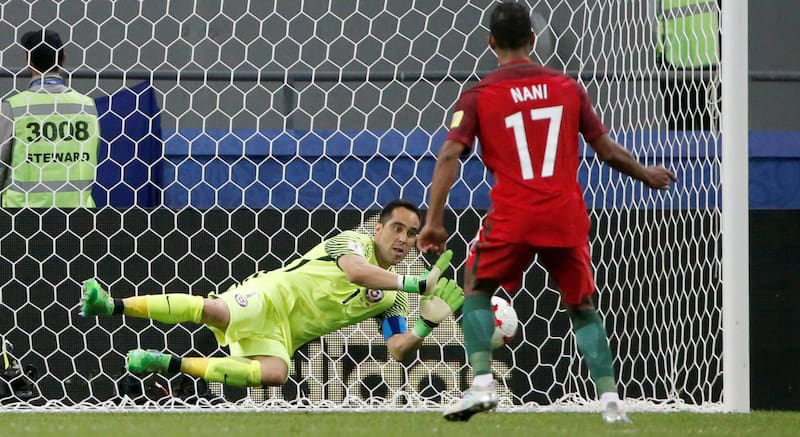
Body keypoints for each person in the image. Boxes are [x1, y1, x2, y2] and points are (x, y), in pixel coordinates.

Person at [417, 2, 678, 423]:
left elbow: (450, 154)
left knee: (476, 285)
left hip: (514, 214)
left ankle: (481, 385)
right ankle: (611, 402)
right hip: (565, 215)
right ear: (533, 39)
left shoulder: (480, 94)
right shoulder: (567, 87)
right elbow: (606, 150)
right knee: (583, 304)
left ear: (490, 42)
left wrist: (433, 222)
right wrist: (646, 174)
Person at [80, 199, 463, 389]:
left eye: (412, 234)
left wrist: (426, 325)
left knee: (276, 374)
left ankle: (164, 362)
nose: (403, 239)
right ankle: (110, 305)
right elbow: (356, 272)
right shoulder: (353, 242)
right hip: (270, 295)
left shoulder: (393, 297)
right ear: (377, 229)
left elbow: (397, 349)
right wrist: (415, 284)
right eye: (397, 228)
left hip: (284, 334)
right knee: (216, 311)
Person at [0, 28, 100, 208]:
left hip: (21, 215)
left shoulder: (14, 107)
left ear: (28, 61)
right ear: (63, 59)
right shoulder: (87, 106)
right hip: (78, 213)